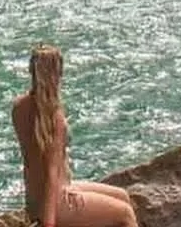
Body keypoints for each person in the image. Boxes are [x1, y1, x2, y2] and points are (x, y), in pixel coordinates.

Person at [12, 45, 138, 227]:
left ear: (31, 71)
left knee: (123, 196)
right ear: (58, 73)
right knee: (125, 213)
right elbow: (51, 171)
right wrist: (49, 222)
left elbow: (31, 164)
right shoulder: (54, 116)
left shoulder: (18, 107)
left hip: (35, 200)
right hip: (56, 201)